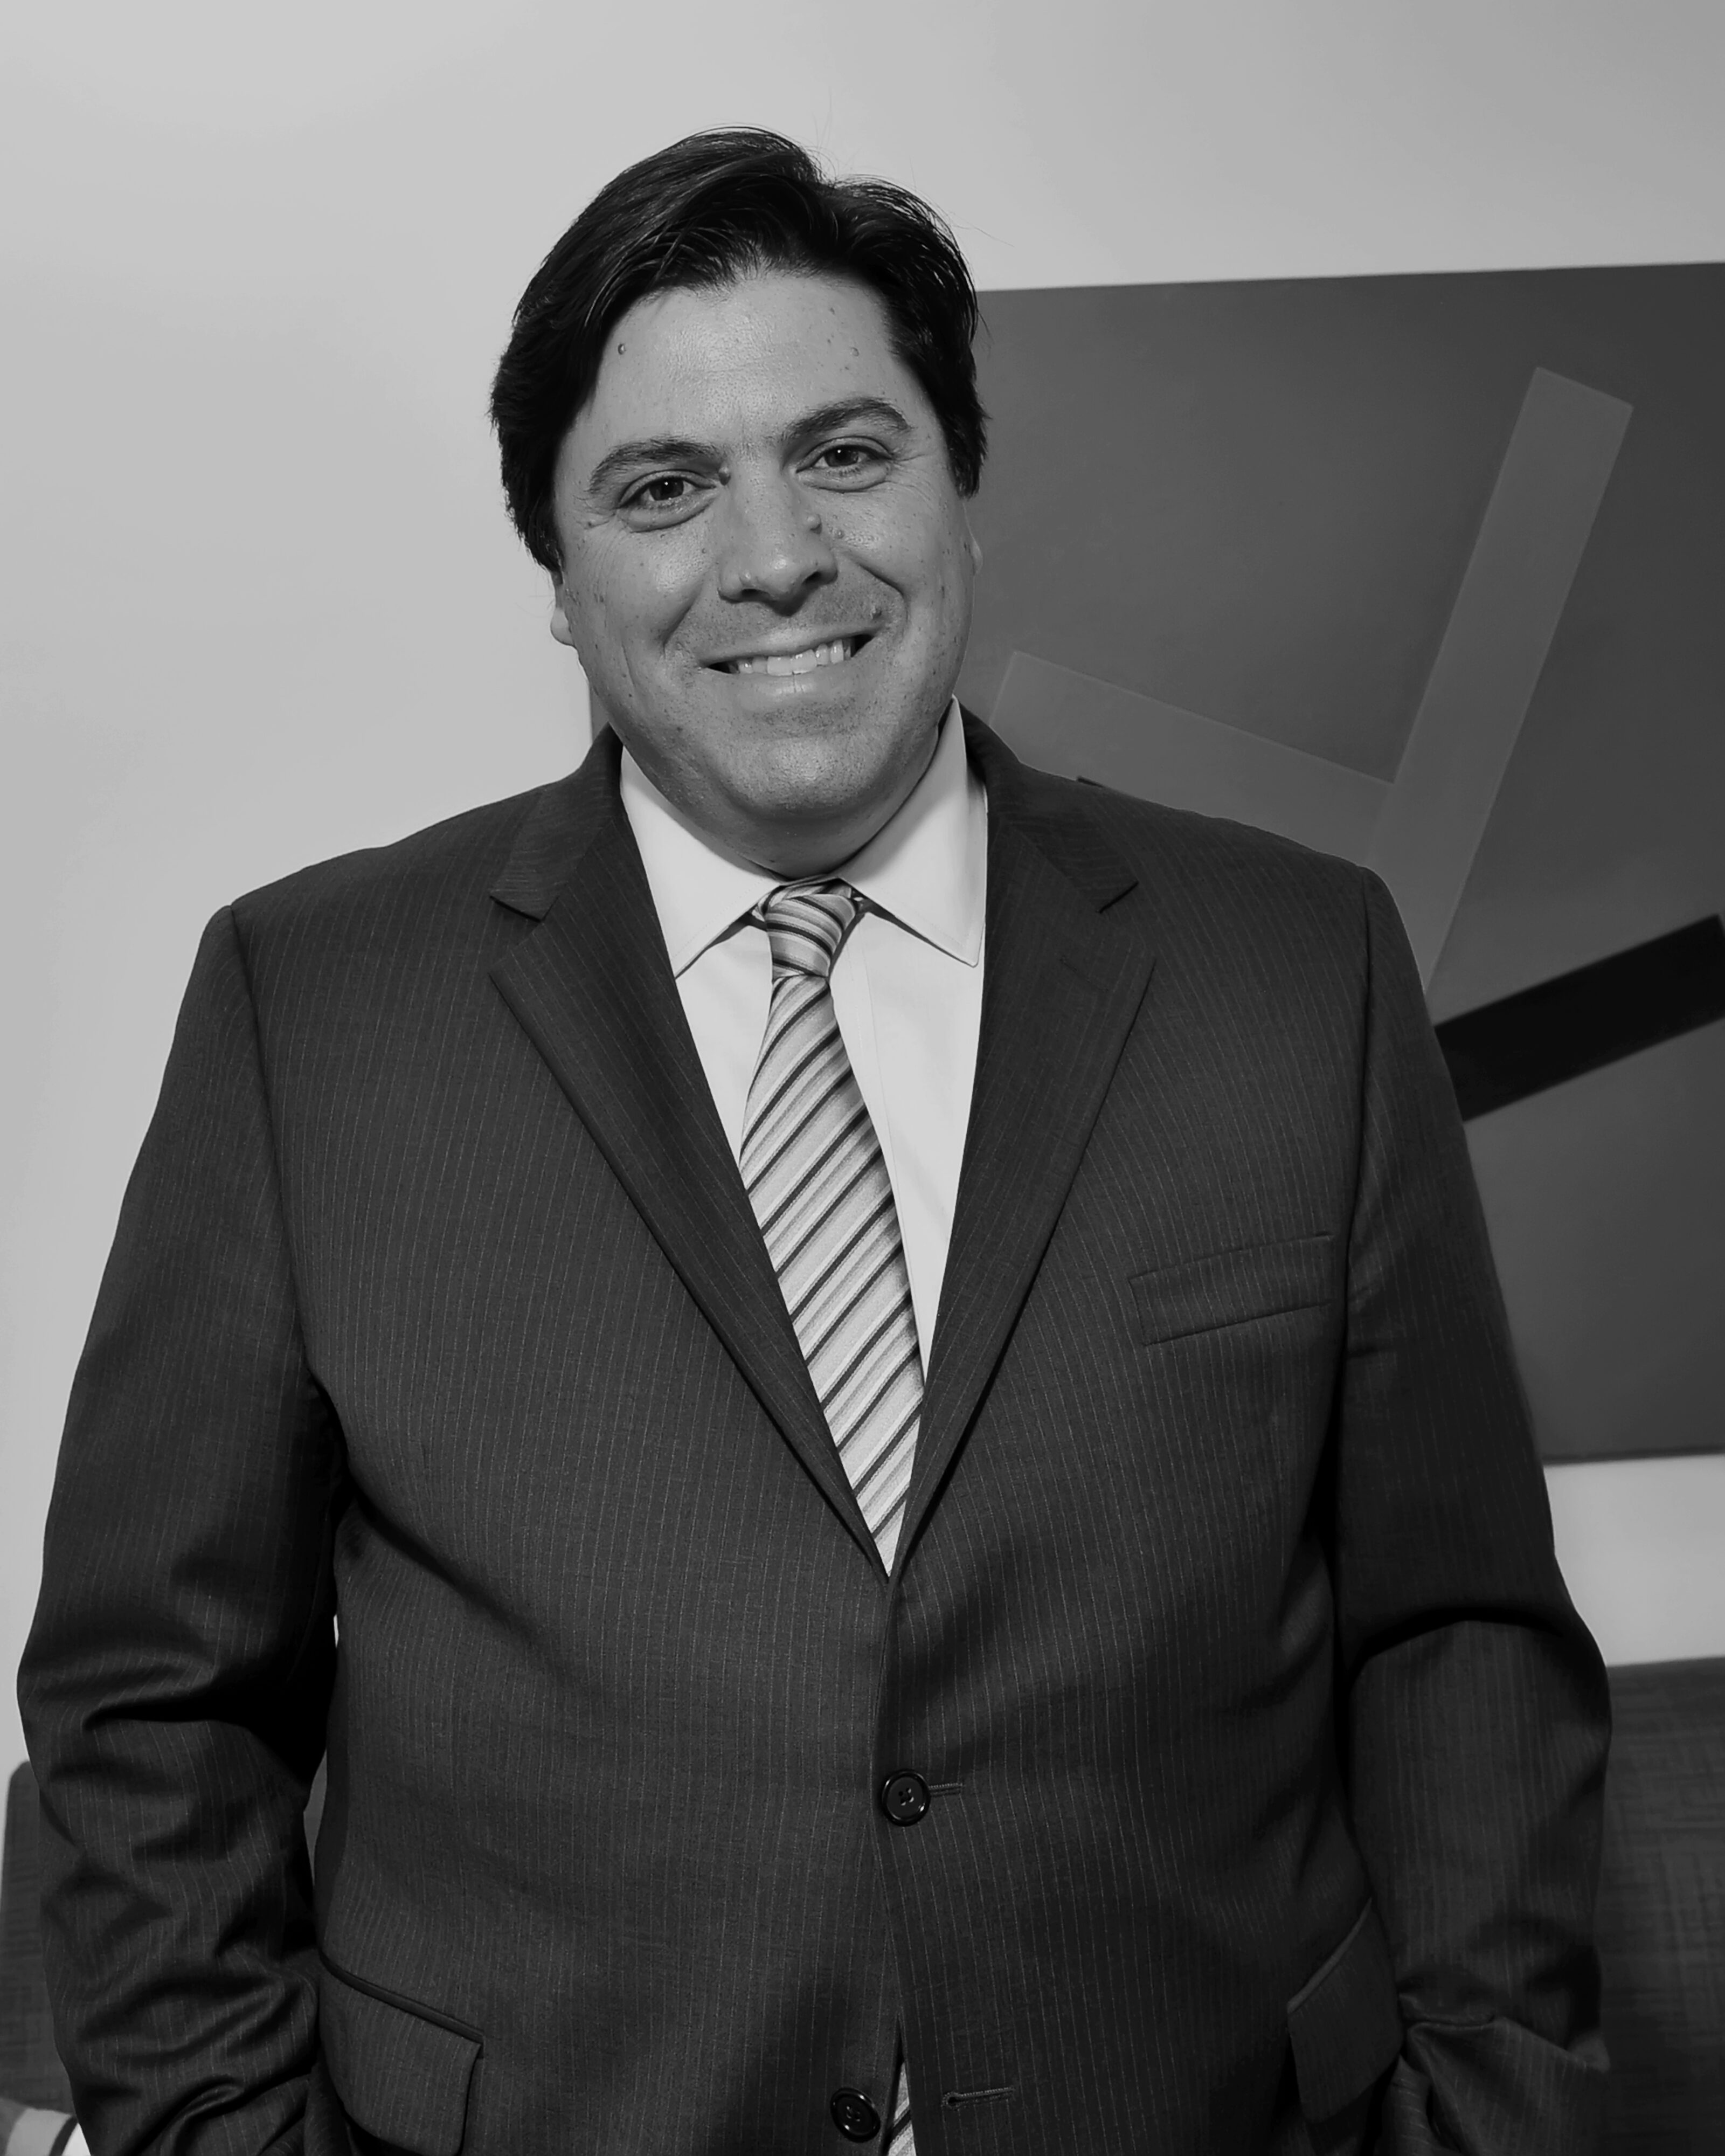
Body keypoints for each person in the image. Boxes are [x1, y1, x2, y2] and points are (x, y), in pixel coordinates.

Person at [21, 129, 1610, 2156]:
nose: (774, 556)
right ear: (558, 579)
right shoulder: (309, 1006)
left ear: (960, 491)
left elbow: (1456, 1642)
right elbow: (154, 1709)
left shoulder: (1296, 970)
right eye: (661, 488)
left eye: (845, 453)